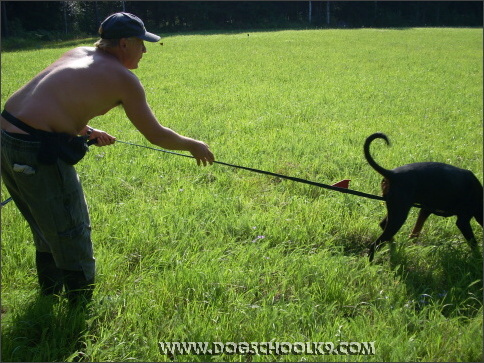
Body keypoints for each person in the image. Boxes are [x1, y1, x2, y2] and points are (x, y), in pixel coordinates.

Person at [1, 12, 215, 305]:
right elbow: (156, 135)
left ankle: (49, 295)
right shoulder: (123, 79)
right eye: (142, 43)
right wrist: (193, 145)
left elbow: (51, 101)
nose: (145, 50)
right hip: (34, 148)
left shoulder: (78, 53)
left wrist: (86, 129)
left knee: (43, 220)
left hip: (7, 135)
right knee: (69, 225)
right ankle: (80, 304)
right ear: (124, 43)